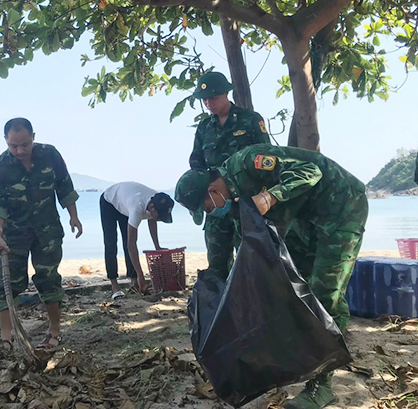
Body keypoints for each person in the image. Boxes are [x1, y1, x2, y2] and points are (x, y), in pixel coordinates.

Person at [175, 145, 368, 409]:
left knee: (325, 294)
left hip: (341, 208)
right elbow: (236, 246)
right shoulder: (229, 198)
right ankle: (298, 361)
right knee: (290, 289)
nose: (210, 212)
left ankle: (321, 386)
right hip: (306, 219)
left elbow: (310, 171)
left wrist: (269, 197)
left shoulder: (248, 162)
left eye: (206, 208)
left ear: (213, 191)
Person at [0, 117, 82, 351]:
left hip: (47, 231)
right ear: (6, 141)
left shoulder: (50, 155)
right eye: (13, 146)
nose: (19, 151)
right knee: (9, 284)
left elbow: (65, 186)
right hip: (14, 235)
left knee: (48, 280)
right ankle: (7, 338)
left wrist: (74, 216)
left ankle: (54, 333)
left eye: (24, 145)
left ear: (33, 137)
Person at [189, 71, 271, 280]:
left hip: (245, 202)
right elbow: (196, 162)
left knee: (251, 262)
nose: (209, 103)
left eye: (214, 98)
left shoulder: (251, 120)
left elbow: (266, 158)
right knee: (216, 263)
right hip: (216, 203)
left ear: (226, 94)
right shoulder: (204, 127)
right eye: (205, 99)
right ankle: (220, 306)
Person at [100, 182, 174, 298]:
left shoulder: (157, 199)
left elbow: (152, 219)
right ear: (152, 207)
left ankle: (134, 282)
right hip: (109, 201)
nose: (160, 219)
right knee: (111, 244)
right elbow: (132, 245)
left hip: (125, 201)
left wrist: (157, 246)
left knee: (126, 242)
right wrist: (141, 275)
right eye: (160, 216)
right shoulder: (137, 208)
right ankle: (115, 285)